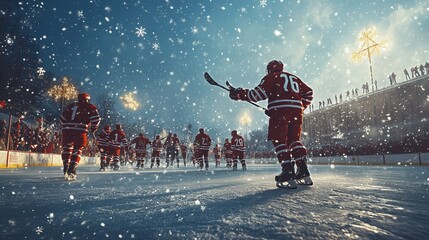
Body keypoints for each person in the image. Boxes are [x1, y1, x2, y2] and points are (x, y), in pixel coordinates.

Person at [229, 60, 313, 188]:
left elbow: (257, 95)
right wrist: (299, 106)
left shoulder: (271, 77)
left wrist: (240, 93)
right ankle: (303, 170)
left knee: (279, 140)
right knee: (294, 141)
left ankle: (287, 172)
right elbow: (309, 93)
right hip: (296, 113)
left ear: (270, 69)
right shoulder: (294, 78)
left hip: (280, 113)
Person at [61, 92, 100, 181]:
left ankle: (65, 166)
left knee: (67, 148)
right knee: (78, 148)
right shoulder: (90, 106)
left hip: (67, 129)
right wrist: (94, 127)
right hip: (80, 129)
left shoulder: (71, 106)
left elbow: (62, 118)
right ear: (87, 99)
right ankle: (72, 168)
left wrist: (66, 126)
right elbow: (96, 118)